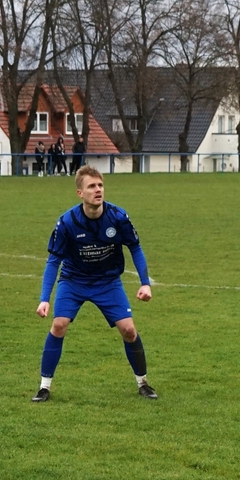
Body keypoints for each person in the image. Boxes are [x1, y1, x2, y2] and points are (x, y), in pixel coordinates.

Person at [32, 166, 158, 402]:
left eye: (100, 185)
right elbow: (54, 261)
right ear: (80, 193)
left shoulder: (118, 217)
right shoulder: (67, 222)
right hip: (73, 281)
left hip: (108, 281)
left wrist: (145, 283)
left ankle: (143, 383)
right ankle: (44, 387)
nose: (98, 190)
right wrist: (44, 299)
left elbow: (135, 247)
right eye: (91, 186)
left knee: (129, 330)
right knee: (59, 325)